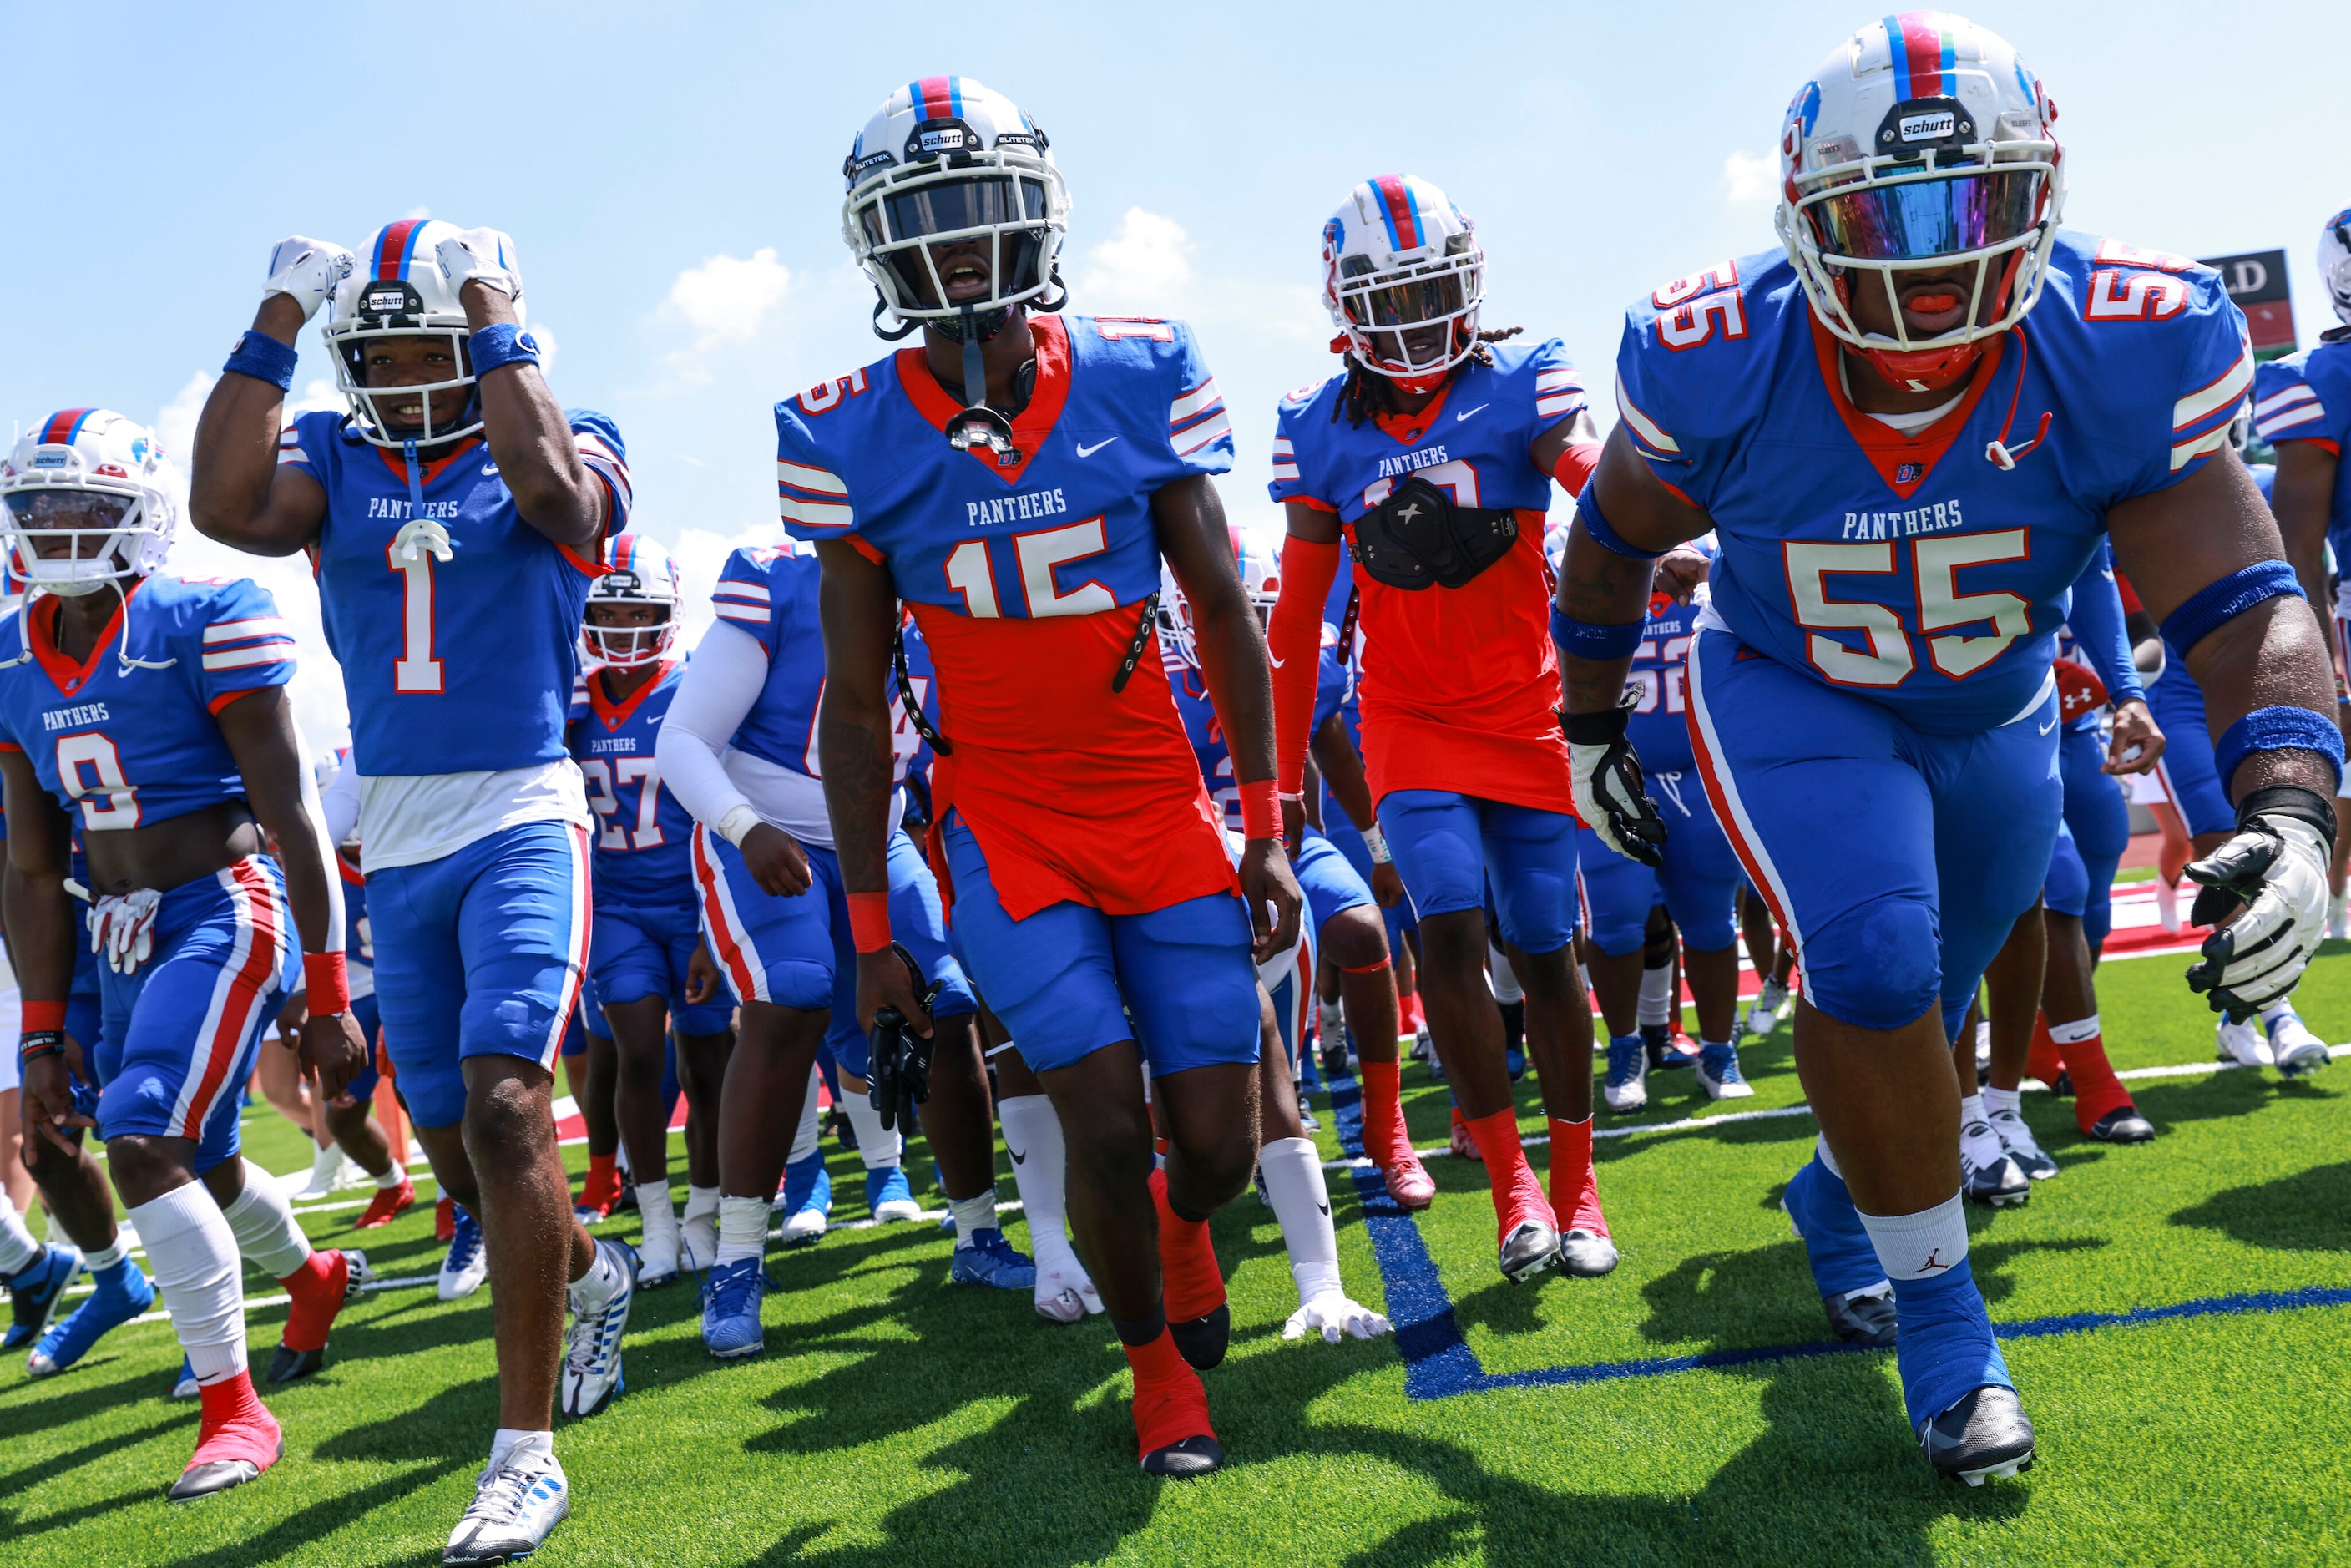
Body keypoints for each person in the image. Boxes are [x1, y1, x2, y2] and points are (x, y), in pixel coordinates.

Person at [1553, 14, 2336, 1482]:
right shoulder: (1724, 353)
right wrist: (1589, 722)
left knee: (1960, 967)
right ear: (1801, 224)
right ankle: (1945, 1324)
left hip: (1997, 705)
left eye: (1968, 208)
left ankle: (1841, 1200)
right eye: (1879, 220)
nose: (1927, 261)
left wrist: (2291, 808)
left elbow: (2242, 611)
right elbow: (1604, 551)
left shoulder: (2116, 338)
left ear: (2039, 194)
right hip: (1791, 684)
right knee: (1871, 959)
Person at [794, 78, 1301, 1477]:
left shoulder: (1138, 370)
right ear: (878, 247)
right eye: (925, 219)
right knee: (1091, 1103)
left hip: (1153, 799)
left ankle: (1185, 1229)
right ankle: (1159, 1378)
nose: (959, 243)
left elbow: (1225, 612)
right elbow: (853, 701)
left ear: (1039, 211)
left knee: (1213, 1139)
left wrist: (1266, 824)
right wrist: (873, 928)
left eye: (980, 207)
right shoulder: (841, 426)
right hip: (1003, 820)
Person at [188, 222, 637, 1563]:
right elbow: (220, 507)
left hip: (518, 808)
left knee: (508, 1105)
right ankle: (590, 1271)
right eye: (368, 342)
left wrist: (491, 302)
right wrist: (279, 313)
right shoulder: (331, 454)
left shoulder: (567, 424)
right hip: (397, 826)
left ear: (480, 336)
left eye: (417, 336)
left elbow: (562, 499)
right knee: (451, 1134)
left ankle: (523, 1459)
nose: (390, 363)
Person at [0, 407, 371, 1498]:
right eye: (40, 510)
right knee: (196, 1154)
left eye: (87, 507)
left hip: (222, 903)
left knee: (143, 1135)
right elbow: (29, 869)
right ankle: (313, 1279)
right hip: (113, 929)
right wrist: (42, 1028)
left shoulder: (206, 616)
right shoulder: (12, 653)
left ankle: (236, 1411)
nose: (61, 529)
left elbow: (294, 813)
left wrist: (327, 980)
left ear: (141, 518)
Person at [1265, 174, 1612, 1287]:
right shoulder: (1320, 428)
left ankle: (1578, 1184)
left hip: (1526, 708)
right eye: (1389, 300)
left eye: (1431, 293)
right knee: (1450, 930)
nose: (1412, 323)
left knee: (1545, 948)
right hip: (1408, 716)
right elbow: (1297, 616)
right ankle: (1512, 1184)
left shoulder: (1523, 379)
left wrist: (1643, 520)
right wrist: (1279, 790)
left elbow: (1594, 483)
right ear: (1346, 307)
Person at [656, 538, 1031, 1363]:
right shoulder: (782, 580)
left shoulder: (957, 580)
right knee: (789, 995)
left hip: (877, 830)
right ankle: (737, 1260)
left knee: (943, 1001)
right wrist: (741, 827)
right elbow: (681, 739)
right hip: (759, 824)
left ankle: (976, 1233)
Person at [1164, 542, 1432, 1208]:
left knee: (1365, 931)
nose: (1252, 628)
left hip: (1287, 847)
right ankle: (1252, 1117)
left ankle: (1386, 1128)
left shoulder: (1299, 659)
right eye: (1240, 611)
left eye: (1264, 612)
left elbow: (1336, 755)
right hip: (1194, 854)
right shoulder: (1156, 675)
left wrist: (1378, 848)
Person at [568, 534, 734, 1284]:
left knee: (707, 1062)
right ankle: (658, 1222)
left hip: (696, 896)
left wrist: (712, 921)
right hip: (618, 905)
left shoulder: (697, 686)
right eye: (611, 610)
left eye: (643, 611)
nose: (626, 628)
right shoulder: (569, 698)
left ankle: (705, 1210)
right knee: (635, 1052)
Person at [1560, 535, 1755, 1111]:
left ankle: (1718, 1050)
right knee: (1616, 924)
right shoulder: (1591, 556)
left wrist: (1712, 568)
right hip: (1612, 774)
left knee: (1712, 924)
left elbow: (1768, 582)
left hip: (1697, 774)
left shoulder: (1710, 560)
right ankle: (1626, 1049)